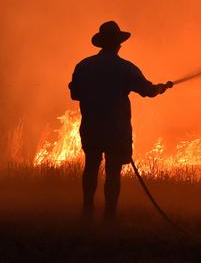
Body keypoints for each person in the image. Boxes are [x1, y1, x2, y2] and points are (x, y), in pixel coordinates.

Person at [68, 21, 172, 222]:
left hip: (92, 127)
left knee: (91, 167)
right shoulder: (125, 68)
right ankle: (109, 215)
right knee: (113, 172)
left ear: (101, 44)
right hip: (116, 129)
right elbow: (148, 91)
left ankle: (87, 210)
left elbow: (75, 94)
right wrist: (160, 88)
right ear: (118, 44)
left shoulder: (84, 66)